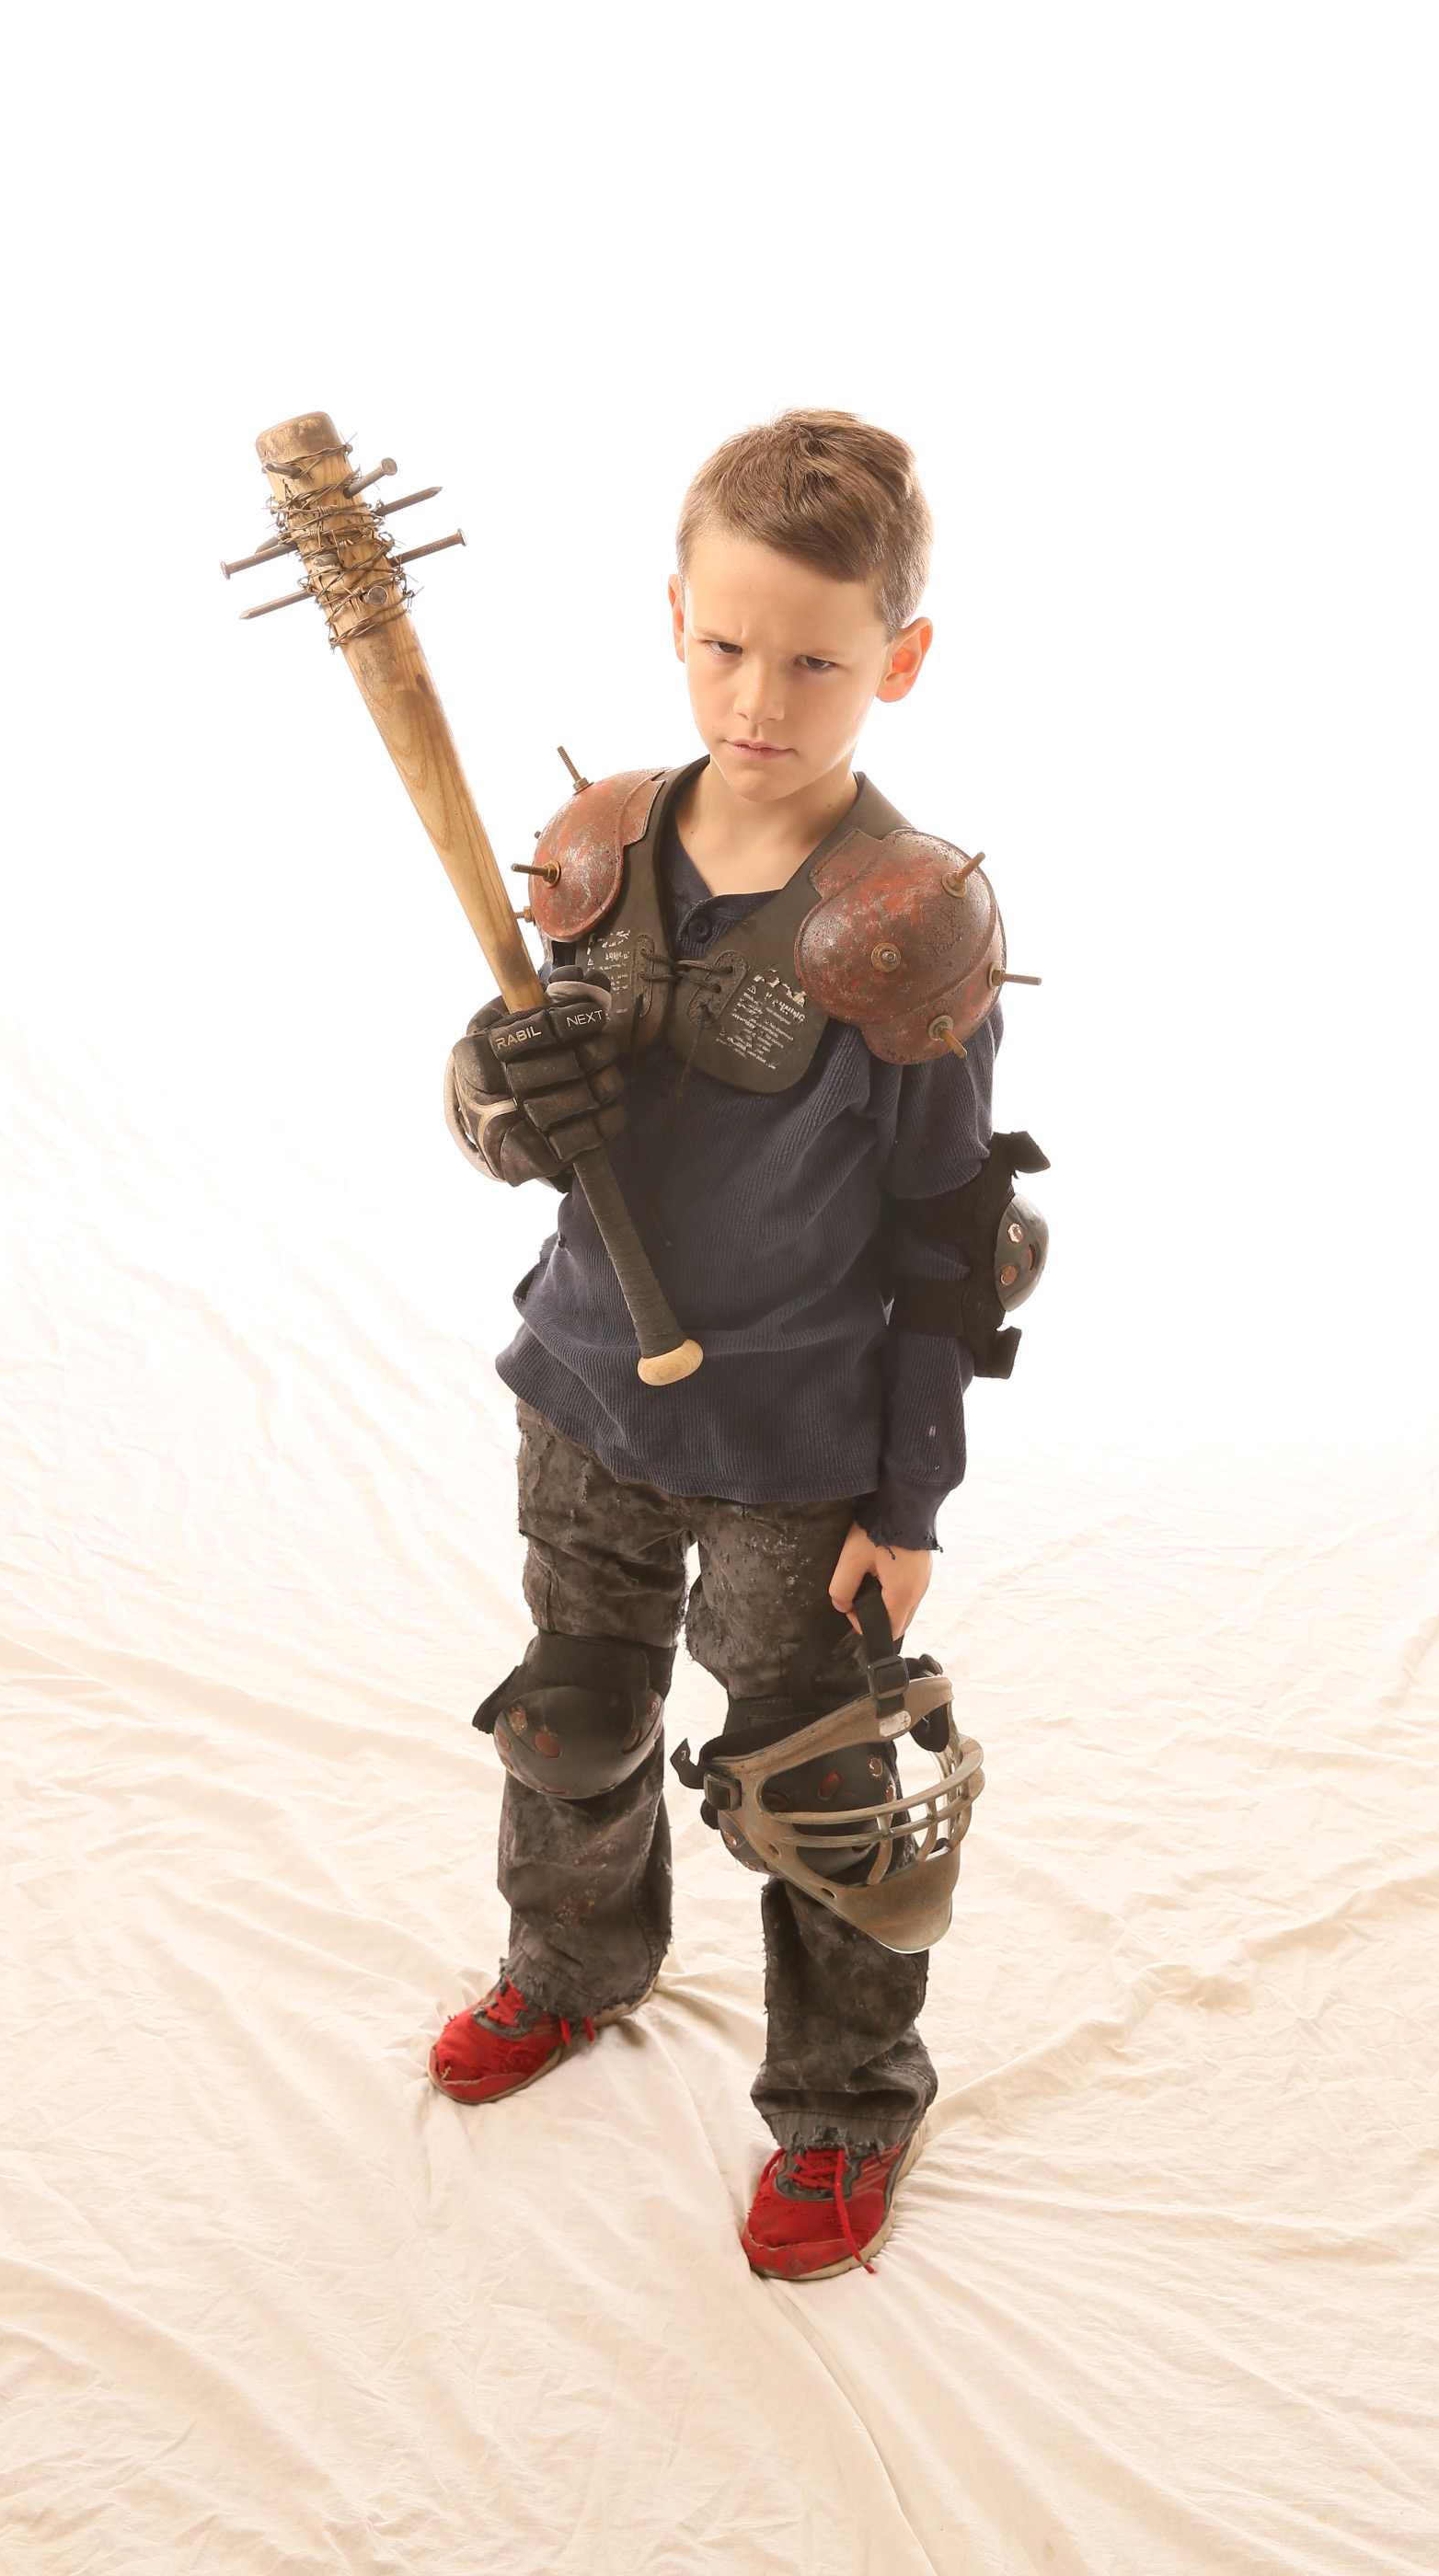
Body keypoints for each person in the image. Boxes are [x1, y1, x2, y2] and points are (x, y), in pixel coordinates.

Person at [432, 408, 1039, 2282]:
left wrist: (909, 1495)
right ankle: (574, 1964)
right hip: (584, 1386)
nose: (761, 698)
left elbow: (952, 1242)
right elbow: (510, 1120)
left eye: (817, 662)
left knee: (825, 1788)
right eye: (725, 645)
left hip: (795, 1445)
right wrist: (501, 1090)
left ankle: (848, 2100)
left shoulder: (909, 920)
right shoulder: (601, 846)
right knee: (575, 1713)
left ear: (899, 659)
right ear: (674, 618)